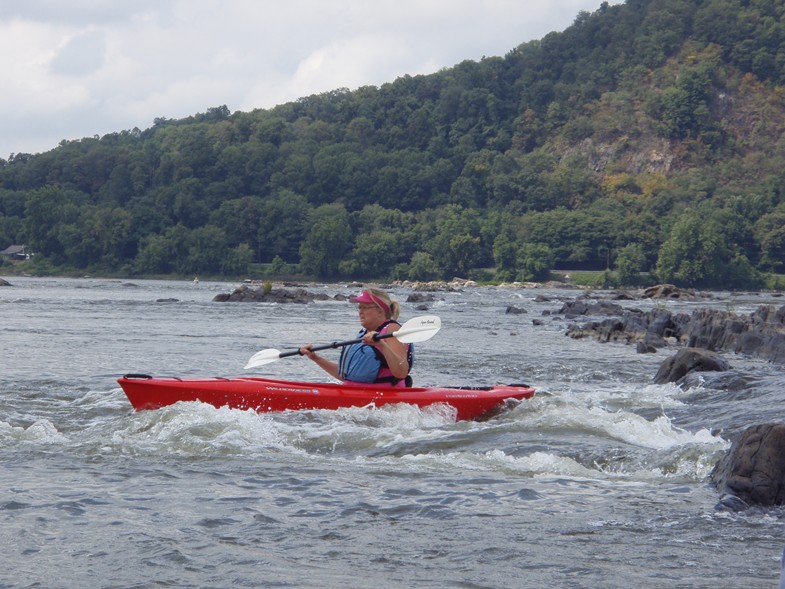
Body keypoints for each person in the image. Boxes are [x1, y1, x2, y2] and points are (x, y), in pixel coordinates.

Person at [299, 287, 413, 387]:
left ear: (380, 310)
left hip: (384, 399)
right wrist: (315, 358)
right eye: (359, 308)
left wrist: (382, 345)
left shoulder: (392, 330)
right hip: (356, 395)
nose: (360, 312)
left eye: (365, 307)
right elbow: (347, 376)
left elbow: (402, 372)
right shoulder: (364, 333)